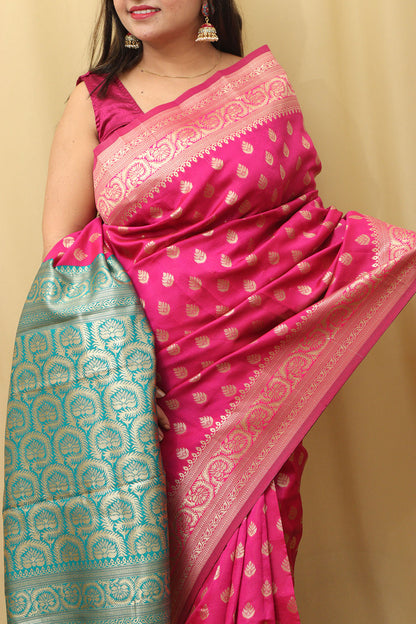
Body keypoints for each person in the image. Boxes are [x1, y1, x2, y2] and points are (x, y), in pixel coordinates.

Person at [4, 1, 416, 623]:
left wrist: (390, 254)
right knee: (148, 574)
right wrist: (114, 382)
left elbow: (303, 230)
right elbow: (66, 266)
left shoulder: (261, 89)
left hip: (254, 390)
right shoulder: (95, 102)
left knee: (247, 566)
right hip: (142, 401)